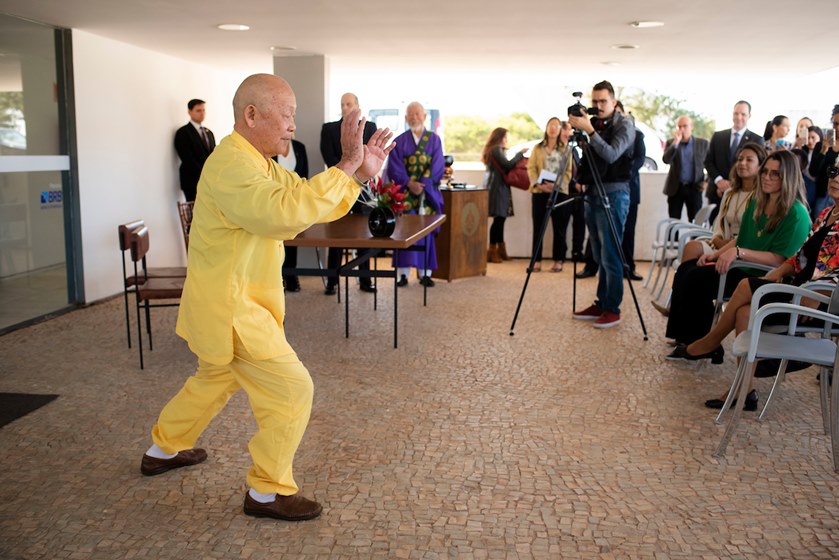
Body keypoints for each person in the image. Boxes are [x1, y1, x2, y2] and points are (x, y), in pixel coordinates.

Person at [139, 74, 394, 522]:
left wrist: (354, 172)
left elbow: (299, 196)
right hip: (233, 308)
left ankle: (163, 447)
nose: (293, 125)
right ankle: (266, 491)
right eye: (288, 114)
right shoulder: (232, 165)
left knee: (214, 378)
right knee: (292, 389)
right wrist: (347, 164)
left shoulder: (257, 161)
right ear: (251, 115)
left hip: (233, 300)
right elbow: (283, 215)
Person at [683, 163, 839, 411]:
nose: (835, 177)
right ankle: (745, 389)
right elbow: (798, 257)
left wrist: (816, 293)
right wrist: (778, 273)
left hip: (819, 302)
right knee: (744, 312)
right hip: (797, 289)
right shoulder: (826, 214)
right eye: (833, 171)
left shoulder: (798, 212)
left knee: (746, 285)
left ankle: (712, 340)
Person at [664, 150, 811, 353]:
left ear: (788, 178)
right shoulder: (757, 202)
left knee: (697, 278)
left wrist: (738, 253)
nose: (767, 177)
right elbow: (740, 240)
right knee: (687, 268)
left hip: (761, 273)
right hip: (742, 264)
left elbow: (779, 260)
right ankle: (684, 337)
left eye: (775, 174)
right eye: (765, 172)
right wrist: (716, 254)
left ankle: (699, 343)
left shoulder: (796, 214)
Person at [652, 143, 767, 317]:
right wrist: (719, 240)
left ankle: (684, 309)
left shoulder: (762, 196)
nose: (742, 163)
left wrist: (732, 245)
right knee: (691, 246)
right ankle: (677, 305)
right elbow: (719, 223)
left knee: (697, 272)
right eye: (740, 159)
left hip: (741, 248)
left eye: (749, 160)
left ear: (760, 165)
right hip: (722, 241)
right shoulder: (730, 193)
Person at [568, 80, 635, 329]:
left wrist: (590, 131)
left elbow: (612, 153)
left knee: (610, 254)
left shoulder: (625, 125)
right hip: (593, 193)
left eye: (603, 102)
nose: (597, 106)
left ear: (614, 102)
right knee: (597, 253)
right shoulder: (594, 123)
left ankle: (612, 308)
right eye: (594, 102)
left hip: (615, 196)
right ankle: (601, 301)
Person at [320, 92, 379, 295]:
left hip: (363, 188)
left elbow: (370, 157)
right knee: (336, 235)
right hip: (338, 187)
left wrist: (358, 174)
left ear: (357, 106)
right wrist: (350, 170)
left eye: (349, 104)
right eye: (342, 104)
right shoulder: (328, 129)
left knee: (364, 235)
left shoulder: (370, 128)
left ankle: (365, 280)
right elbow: (330, 158)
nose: (345, 107)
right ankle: (332, 281)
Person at [386, 101, 445, 287]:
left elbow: (437, 165)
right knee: (403, 233)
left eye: (418, 114)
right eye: (410, 114)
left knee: (425, 233)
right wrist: (409, 184)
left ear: (425, 117)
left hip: (426, 196)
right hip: (405, 195)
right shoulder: (400, 140)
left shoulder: (434, 140)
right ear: (405, 118)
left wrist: (424, 185)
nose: (414, 117)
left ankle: (425, 274)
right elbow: (394, 168)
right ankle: (402, 274)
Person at [704, 101, 765, 224]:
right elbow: (708, 161)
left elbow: (757, 166)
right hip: (717, 192)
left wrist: (733, 184)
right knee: (715, 228)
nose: (739, 117)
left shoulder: (757, 139)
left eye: (743, 114)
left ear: (749, 116)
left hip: (742, 193)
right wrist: (719, 181)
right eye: (736, 113)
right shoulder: (718, 136)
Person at [526, 118, 573, 272]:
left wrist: (556, 185)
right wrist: (538, 183)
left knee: (560, 228)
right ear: (546, 128)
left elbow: (568, 172)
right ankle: (536, 261)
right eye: (550, 125)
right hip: (540, 192)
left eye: (556, 126)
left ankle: (558, 260)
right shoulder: (537, 148)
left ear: (561, 129)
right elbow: (531, 168)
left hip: (559, 192)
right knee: (538, 227)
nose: (553, 129)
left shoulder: (566, 149)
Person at [482, 127, 525, 264]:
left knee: (500, 219)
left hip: (497, 187)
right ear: (500, 137)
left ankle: (499, 250)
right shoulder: (496, 149)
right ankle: (493, 251)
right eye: (505, 137)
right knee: (499, 220)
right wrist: (519, 154)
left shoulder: (494, 150)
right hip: (498, 189)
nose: (507, 140)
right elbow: (507, 165)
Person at [273, 138, 309, 292]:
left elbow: (304, 175)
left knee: (293, 237)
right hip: (275, 202)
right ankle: (278, 277)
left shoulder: (299, 147)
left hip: (295, 201)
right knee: (276, 241)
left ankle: (291, 276)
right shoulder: (272, 147)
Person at [617, 102, 646, 281]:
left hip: (630, 190)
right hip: (609, 191)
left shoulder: (637, 135)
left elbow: (640, 159)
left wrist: (623, 174)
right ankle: (593, 265)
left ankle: (628, 267)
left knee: (628, 231)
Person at [662, 115, 710, 222]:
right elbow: (666, 160)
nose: (682, 129)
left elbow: (711, 165)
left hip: (695, 187)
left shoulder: (703, 144)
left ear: (691, 126)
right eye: (679, 127)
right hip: (676, 188)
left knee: (696, 221)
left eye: (685, 126)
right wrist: (675, 143)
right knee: (673, 221)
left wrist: (707, 182)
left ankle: (695, 240)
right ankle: (673, 240)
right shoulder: (671, 143)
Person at [174, 98, 216, 202]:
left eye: (203, 110)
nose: (202, 113)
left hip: (209, 181)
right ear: (189, 112)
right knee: (195, 213)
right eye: (198, 110)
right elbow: (187, 159)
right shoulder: (183, 133)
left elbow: (214, 156)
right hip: (192, 181)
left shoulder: (209, 133)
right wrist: (204, 174)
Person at [809, 105, 839, 219]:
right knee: (820, 222)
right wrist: (823, 151)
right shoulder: (820, 145)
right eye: (834, 123)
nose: (836, 127)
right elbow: (813, 171)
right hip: (822, 193)